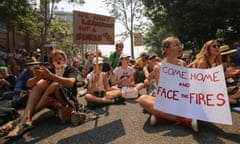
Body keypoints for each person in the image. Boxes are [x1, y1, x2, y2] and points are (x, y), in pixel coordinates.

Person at [5, 49, 79, 137]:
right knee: (40, 84)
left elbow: (70, 83)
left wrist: (51, 76)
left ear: (64, 59)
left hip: (67, 101)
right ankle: (26, 118)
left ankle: (22, 119)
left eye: (60, 58)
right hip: (51, 101)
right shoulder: (50, 69)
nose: (58, 61)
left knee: (54, 84)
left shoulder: (70, 69)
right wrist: (38, 77)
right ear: (52, 62)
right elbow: (29, 84)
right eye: (55, 60)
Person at [137, 36, 198, 132]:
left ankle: (161, 115)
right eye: (176, 45)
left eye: (180, 44)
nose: (180, 47)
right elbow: (162, 92)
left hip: (181, 99)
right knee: (142, 99)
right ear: (166, 50)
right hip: (167, 100)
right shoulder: (159, 68)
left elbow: (187, 85)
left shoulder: (183, 64)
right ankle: (183, 119)